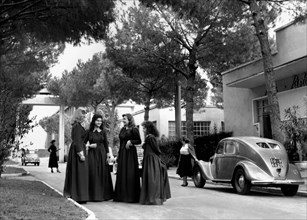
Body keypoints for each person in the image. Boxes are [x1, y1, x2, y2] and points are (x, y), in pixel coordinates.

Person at [139, 121, 171, 205]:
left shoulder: (151, 137)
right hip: (149, 159)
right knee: (151, 178)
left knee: (152, 179)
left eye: (144, 128)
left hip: (151, 160)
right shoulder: (149, 137)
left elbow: (156, 149)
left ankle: (153, 198)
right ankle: (151, 198)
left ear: (148, 128)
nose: (143, 130)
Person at [85, 114, 114, 201]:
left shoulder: (103, 132)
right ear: (94, 121)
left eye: (100, 121)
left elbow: (106, 143)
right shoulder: (89, 132)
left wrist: (108, 154)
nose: (99, 122)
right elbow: (83, 143)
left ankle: (104, 195)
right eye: (97, 120)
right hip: (92, 154)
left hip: (102, 153)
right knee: (93, 172)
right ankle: (93, 195)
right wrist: (89, 146)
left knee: (103, 172)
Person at [114, 113, 141, 203]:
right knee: (122, 172)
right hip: (122, 153)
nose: (123, 120)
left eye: (125, 119)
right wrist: (118, 155)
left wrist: (131, 142)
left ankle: (131, 196)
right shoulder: (122, 129)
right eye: (123, 119)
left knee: (130, 173)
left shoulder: (134, 129)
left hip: (130, 154)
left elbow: (139, 141)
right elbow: (121, 142)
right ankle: (121, 196)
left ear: (129, 119)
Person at [63, 107, 89, 204]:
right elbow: (77, 141)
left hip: (78, 150)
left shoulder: (78, 125)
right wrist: (80, 153)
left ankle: (78, 194)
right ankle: (78, 195)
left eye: (85, 114)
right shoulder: (77, 126)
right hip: (78, 152)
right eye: (83, 113)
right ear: (78, 114)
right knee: (79, 173)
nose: (84, 115)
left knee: (78, 173)